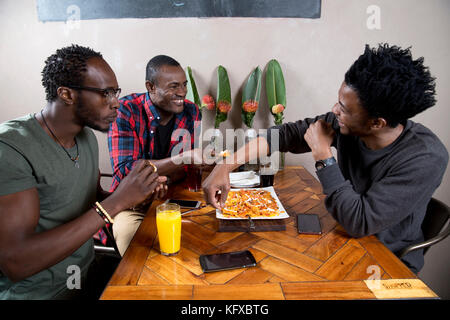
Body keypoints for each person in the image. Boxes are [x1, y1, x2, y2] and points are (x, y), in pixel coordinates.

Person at [202, 44, 448, 273]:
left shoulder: (425, 157)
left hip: (384, 261)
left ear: (377, 123)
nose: (334, 110)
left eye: (344, 108)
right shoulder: (347, 126)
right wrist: (225, 166)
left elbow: (359, 221)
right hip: (341, 239)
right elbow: (285, 135)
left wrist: (322, 155)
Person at [0, 45, 166, 300]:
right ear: (67, 94)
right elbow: (17, 263)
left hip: (84, 274)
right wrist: (117, 201)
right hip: (40, 293)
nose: (116, 104)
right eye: (105, 94)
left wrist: (133, 195)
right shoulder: (11, 149)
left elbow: (86, 200)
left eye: (116, 92)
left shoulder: (85, 136)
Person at [108, 54, 204, 256]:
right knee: (139, 253)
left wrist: (166, 177)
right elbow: (126, 169)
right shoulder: (125, 110)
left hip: (173, 200)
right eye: (174, 86)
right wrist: (182, 158)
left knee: (197, 244)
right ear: (150, 87)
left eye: (184, 85)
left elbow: (184, 171)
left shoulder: (192, 112)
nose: (183, 93)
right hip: (131, 205)